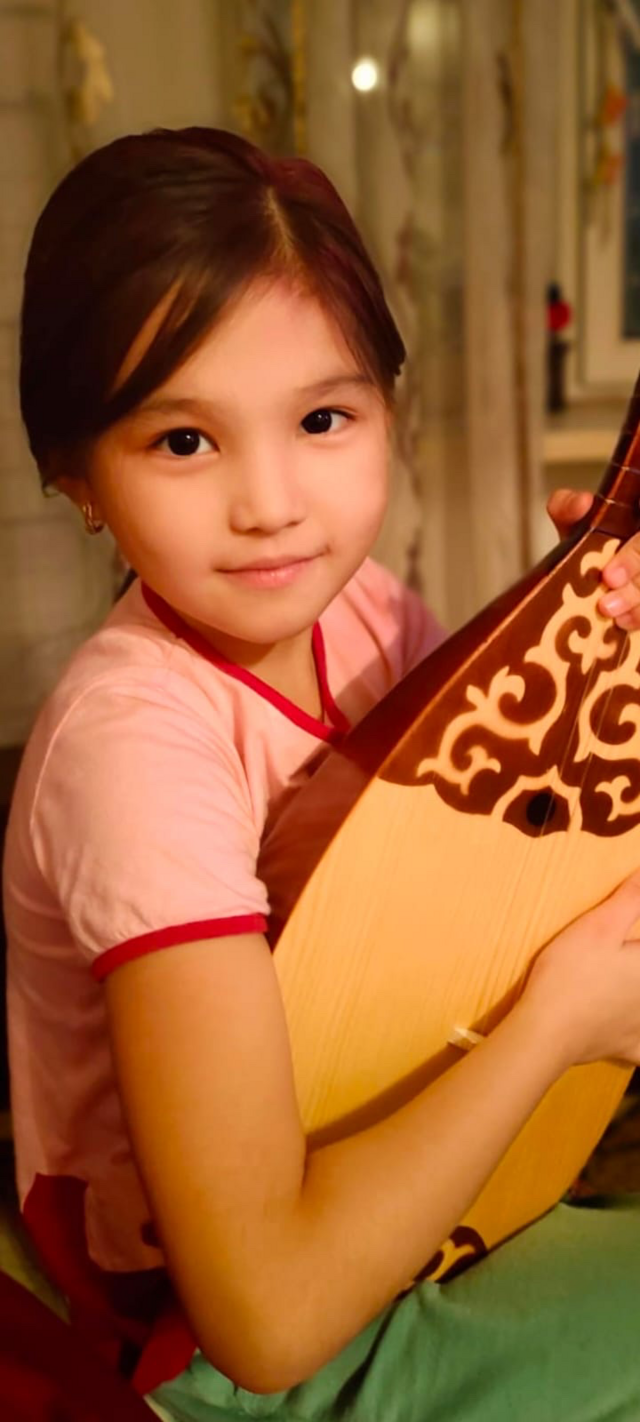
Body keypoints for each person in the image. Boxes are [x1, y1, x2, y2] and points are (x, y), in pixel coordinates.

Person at [4, 125, 640, 1422]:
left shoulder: (364, 616)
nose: (272, 502)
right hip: (211, 1342)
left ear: (389, 411)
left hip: (422, 1195)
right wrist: (559, 1025)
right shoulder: (135, 751)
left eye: (322, 419)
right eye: (185, 442)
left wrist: (594, 648)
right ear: (80, 478)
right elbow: (267, 1317)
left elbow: (456, 903)